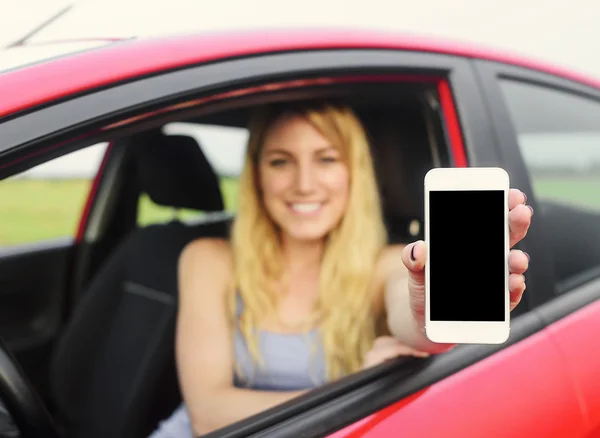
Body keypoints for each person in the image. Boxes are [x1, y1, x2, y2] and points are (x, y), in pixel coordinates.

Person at [149, 101, 532, 437]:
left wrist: (429, 311)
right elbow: (207, 416)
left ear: (355, 172)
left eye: (326, 159)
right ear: (256, 175)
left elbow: (416, 323)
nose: (303, 183)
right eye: (280, 161)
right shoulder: (208, 259)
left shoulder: (386, 263)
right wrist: (352, 389)